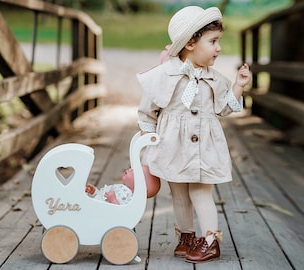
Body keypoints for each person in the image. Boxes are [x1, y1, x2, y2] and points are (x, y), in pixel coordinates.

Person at [136, 6, 251, 263]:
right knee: (178, 192)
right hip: (172, 146)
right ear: (190, 43)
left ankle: (209, 241)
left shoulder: (215, 79)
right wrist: (148, 139)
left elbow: (224, 108)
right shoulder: (163, 75)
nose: (218, 48)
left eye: (218, 41)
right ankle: (187, 236)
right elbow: (147, 111)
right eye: (213, 42)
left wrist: (238, 86)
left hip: (203, 150)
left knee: (200, 192)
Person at [85, 165, 160, 204]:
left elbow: (121, 213)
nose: (130, 169)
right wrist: (95, 192)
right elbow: (103, 199)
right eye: (132, 168)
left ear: (142, 186)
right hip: (95, 207)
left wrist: (114, 200)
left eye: (134, 171)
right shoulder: (122, 189)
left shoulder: (129, 197)